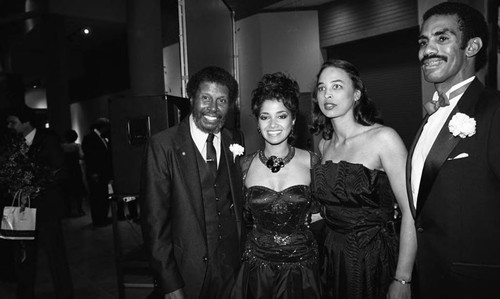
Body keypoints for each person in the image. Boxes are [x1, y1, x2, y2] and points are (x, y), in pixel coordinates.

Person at [409, 3, 500, 298]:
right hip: (429, 277)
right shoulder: (430, 117)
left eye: (441, 38)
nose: (427, 50)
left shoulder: (494, 110)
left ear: (471, 46)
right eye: (424, 42)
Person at [310, 59, 417, 299]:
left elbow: (411, 211)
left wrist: (403, 278)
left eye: (337, 86)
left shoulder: (384, 138)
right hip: (331, 256)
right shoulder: (324, 145)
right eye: (321, 87)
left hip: (372, 257)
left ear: (356, 94)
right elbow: (332, 206)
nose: (327, 94)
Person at [140, 66, 244, 299]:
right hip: (187, 273)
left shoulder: (234, 140)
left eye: (222, 100)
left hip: (231, 271)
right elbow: (154, 222)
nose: (213, 108)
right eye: (205, 98)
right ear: (191, 98)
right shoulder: (162, 145)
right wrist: (169, 282)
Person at [231, 72, 322, 299]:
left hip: (303, 269)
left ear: (293, 120)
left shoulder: (312, 161)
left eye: (281, 116)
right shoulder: (243, 165)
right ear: (258, 122)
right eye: (265, 117)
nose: (272, 124)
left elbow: (327, 211)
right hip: (257, 271)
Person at [5, 105, 74, 299]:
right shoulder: (12, 143)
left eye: (13, 122)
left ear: (26, 122)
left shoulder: (47, 140)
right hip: (19, 209)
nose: (10, 126)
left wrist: (34, 187)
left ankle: (65, 294)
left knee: (55, 256)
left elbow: (60, 171)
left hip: (46, 209)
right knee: (23, 257)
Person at [82, 117, 113, 227]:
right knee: (97, 196)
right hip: (96, 173)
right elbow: (90, 157)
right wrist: (94, 172)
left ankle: (103, 217)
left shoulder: (102, 138)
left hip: (102, 172)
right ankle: (98, 219)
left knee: (103, 196)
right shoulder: (90, 138)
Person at [61, 129, 86, 217]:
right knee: (78, 191)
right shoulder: (77, 146)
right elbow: (82, 156)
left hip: (66, 169)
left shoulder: (62, 146)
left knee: (67, 192)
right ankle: (80, 210)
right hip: (75, 169)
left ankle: (68, 211)